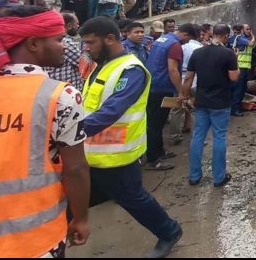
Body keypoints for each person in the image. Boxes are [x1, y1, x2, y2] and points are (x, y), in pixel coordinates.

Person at [0, 6, 90, 257]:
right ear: (33, 43)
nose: (64, 46)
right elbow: (74, 168)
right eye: (58, 39)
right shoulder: (60, 96)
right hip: (35, 239)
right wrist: (81, 218)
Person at [78, 17, 183, 257]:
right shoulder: (100, 65)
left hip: (117, 155)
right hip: (90, 152)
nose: (86, 48)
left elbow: (112, 110)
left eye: (90, 42)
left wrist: (72, 131)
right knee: (71, 202)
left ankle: (169, 231)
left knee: (134, 199)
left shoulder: (131, 70)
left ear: (110, 39)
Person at [181, 24, 239, 188]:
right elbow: (234, 77)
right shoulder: (228, 54)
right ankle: (219, 177)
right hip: (220, 102)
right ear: (226, 36)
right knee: (219, 137)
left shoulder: (197, 53)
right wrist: (236, 60)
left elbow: (188, 78)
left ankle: (194, 176)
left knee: (198, 136)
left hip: (202, 102)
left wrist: (184, 96)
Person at [144, 22, 193, 170]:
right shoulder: (175, 45)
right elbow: (173, 70)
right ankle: (153, 159)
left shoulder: (161, 40)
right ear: (185, 34)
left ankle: (159, 151)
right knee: (155, 124)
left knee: (156, 123)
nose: (187, 42)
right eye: (188, 39)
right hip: (161, 87)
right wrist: (181, 91)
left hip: (152, 84)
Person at [44, 12, 85, 90]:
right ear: (69, 26)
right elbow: (83, 63)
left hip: (53, 87)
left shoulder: (48, 39)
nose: (78, 26)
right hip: (66, 89)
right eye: (77, 24)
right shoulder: (65, 42)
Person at [229, 23, 255, 117]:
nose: (249, 31)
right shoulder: (240, 38)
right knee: (238, 89)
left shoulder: (242, 39)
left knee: (242, 88)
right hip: (240, 66)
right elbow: (251, 44)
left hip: (243, 66)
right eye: (247, 29)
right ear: (242, 30)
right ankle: (235, 109)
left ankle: (236, 107)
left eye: (250, 29)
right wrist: (253, 35)